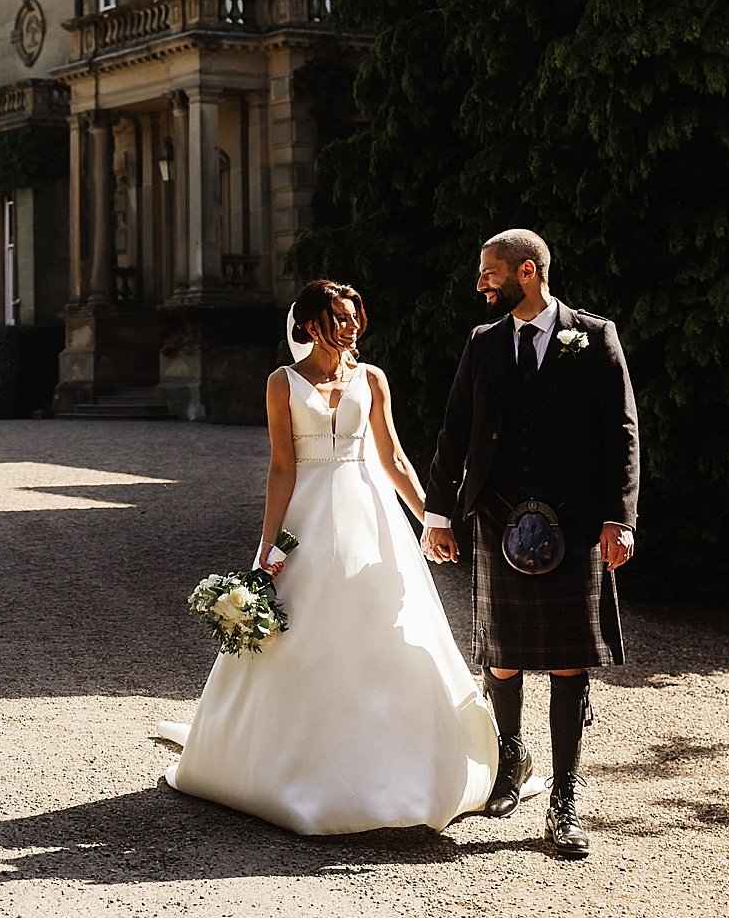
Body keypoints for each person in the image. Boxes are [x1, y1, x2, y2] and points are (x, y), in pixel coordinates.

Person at [156, 280, 498, 834]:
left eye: (354, 316)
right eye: (339, 317)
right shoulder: (282, 383)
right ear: (311, 325)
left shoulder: (372, 378)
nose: (351, 326)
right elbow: (282, 468)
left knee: (385, 633)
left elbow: (393, 457)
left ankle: (399, 765)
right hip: (309, 522)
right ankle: (289, 767)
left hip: (370, 515)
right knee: (302, 638)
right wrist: (266, 549)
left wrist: (433, 519)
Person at [423, 229, 640, 859]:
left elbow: (622, 434)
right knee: (504, 656)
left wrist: (619, 518)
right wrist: (438, 512)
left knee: (571, 660)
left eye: (490, 273)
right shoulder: (484, 344)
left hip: (573, 524)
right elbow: (455, 428)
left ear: (527, 271)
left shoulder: (594, 337)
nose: (481, 284)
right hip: (498, 517)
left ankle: (565, 801)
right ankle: (510, 766)